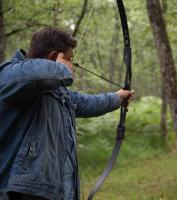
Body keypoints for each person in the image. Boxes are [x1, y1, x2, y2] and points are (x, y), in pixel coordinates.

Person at [0, 27, 134, 200]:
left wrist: (117, 97)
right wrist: (61, 69)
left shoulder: (57, 93)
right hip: (21, 192)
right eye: (70, 59)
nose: (73, 66)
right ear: (53, 57)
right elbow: (36, 74)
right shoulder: (11, 73)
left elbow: (87, 103)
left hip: (54, 191)